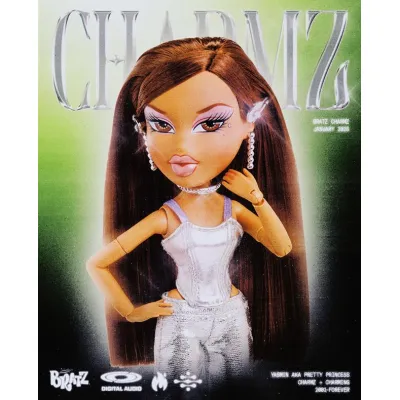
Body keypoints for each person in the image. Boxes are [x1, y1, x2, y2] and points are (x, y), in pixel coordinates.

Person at [86, 37, 309, 384]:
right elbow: (97, 263)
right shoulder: (166, 217)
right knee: (181, 390)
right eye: (160, 125)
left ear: (250, 122)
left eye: (210, 124)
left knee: (235, 389)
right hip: (181, 319)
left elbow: (282, 248)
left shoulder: (234, 210)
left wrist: (257, 198)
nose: (183, 147)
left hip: (231, 316)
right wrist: (131, 312)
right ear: (143, 131)